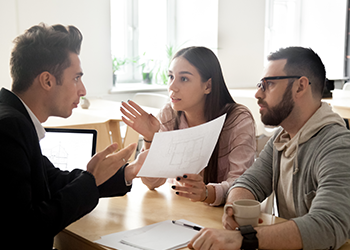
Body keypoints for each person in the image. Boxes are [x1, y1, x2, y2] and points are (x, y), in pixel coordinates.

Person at [0, 23, 147, 249]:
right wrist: (90, 180)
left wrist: (127, 172)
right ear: (47, 81)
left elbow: (54, 181)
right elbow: (26, 229)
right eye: (76, 78)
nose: (83, 90)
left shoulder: (14, 118)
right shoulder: (10, 127)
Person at [188, 46, 350, 250]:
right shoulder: (281, 139)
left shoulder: (337, 146)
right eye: (259, 84)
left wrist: (244, 239)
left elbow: (329, 225)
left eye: (269, 84)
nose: (257, 93)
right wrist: (235, 209)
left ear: (300, 87)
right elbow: (249, 182)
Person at [120, 46, 256, 206]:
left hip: (222, 216)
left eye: (184, 79)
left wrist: (207, 193)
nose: (172, 87)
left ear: (208, 86)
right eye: (170, 77)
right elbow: (152, 183)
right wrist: (150, 140)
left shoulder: (238, 120)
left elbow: (242, 186)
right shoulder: (168, 115)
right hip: (181, 210)